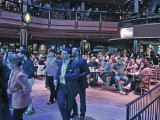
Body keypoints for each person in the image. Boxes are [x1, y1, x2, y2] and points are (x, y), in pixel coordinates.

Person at [54, 48, 80, 120]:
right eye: (62, 53)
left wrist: (65, 76)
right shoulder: (60, 63)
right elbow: (58, 73)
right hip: (61, 87)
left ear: (69, 55)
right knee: (61, 104)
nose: (62, 55)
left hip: (71, 88)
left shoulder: (74, 63)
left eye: (64, 53)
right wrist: (55, 79)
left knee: (69, 108)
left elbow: (76, 75)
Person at [7, 54, 32, 120]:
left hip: (22, 102)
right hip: (17, 101)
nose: (7, 64)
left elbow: (28, 89)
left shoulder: (19, 75)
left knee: (16, 117)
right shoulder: (13, 71)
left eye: (8, 63)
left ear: (14, 64)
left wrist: (16, 91)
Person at [71, 47, 90, 120]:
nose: (72, 52)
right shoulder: (71, 61)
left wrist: (80, 75)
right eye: (72, 50)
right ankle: (75, 112)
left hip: (81, 82)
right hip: (73, 83)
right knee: (72, 98)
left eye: (74, 50)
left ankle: (82, 114)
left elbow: (87, 71)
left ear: (78, 52)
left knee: (82, 99)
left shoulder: (82, 60)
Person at [22, 50, 35, 115]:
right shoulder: (25, 61)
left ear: (25, 55)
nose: (22, 56)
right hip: (26, 79)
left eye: (23, 54)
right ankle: (30, 108)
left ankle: (30, 110)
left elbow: (32, 71)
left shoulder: (29, 62)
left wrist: (26, 75)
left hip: (29, 79)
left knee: (27, 95)